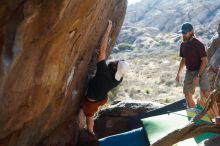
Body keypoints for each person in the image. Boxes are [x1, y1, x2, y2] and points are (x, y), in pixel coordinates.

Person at [82, 20, 129, 135]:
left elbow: (102, 49)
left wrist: (107, 30)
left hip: (92, 99)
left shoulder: (103, 71)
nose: (116, 61)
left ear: (114, 67)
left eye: (117, 62)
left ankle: (90, 132)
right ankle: (90, 131)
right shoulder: (119, 79)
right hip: (101, 99)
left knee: (89, 116)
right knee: (91, 114)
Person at [175, 22, 218, 118]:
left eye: (185, 33)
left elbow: (205, 61)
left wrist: (198, 76)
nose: (183, 35)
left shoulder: (199, 44)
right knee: (187, 95)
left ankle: (217, 117)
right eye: (182, 33)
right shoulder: (183, 45)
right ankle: (197, 118)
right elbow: (183, 59)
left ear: (191, 32)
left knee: (207, 93)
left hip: (201, 71)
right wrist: (178, 73)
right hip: (189, 71)